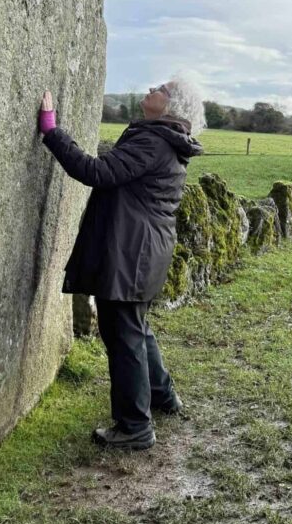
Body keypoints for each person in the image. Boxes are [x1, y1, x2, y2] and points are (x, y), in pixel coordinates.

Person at [38, 80, 204, 450]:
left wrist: (51, 131)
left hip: (132, 253)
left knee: (123, 335)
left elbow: (96, 172)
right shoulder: (164, 141)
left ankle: (134, 427)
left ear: (171, 105)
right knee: (136, 328)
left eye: (160, 87)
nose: (151, 87)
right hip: (143, 250)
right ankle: (162, 396)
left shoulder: (153, 141)